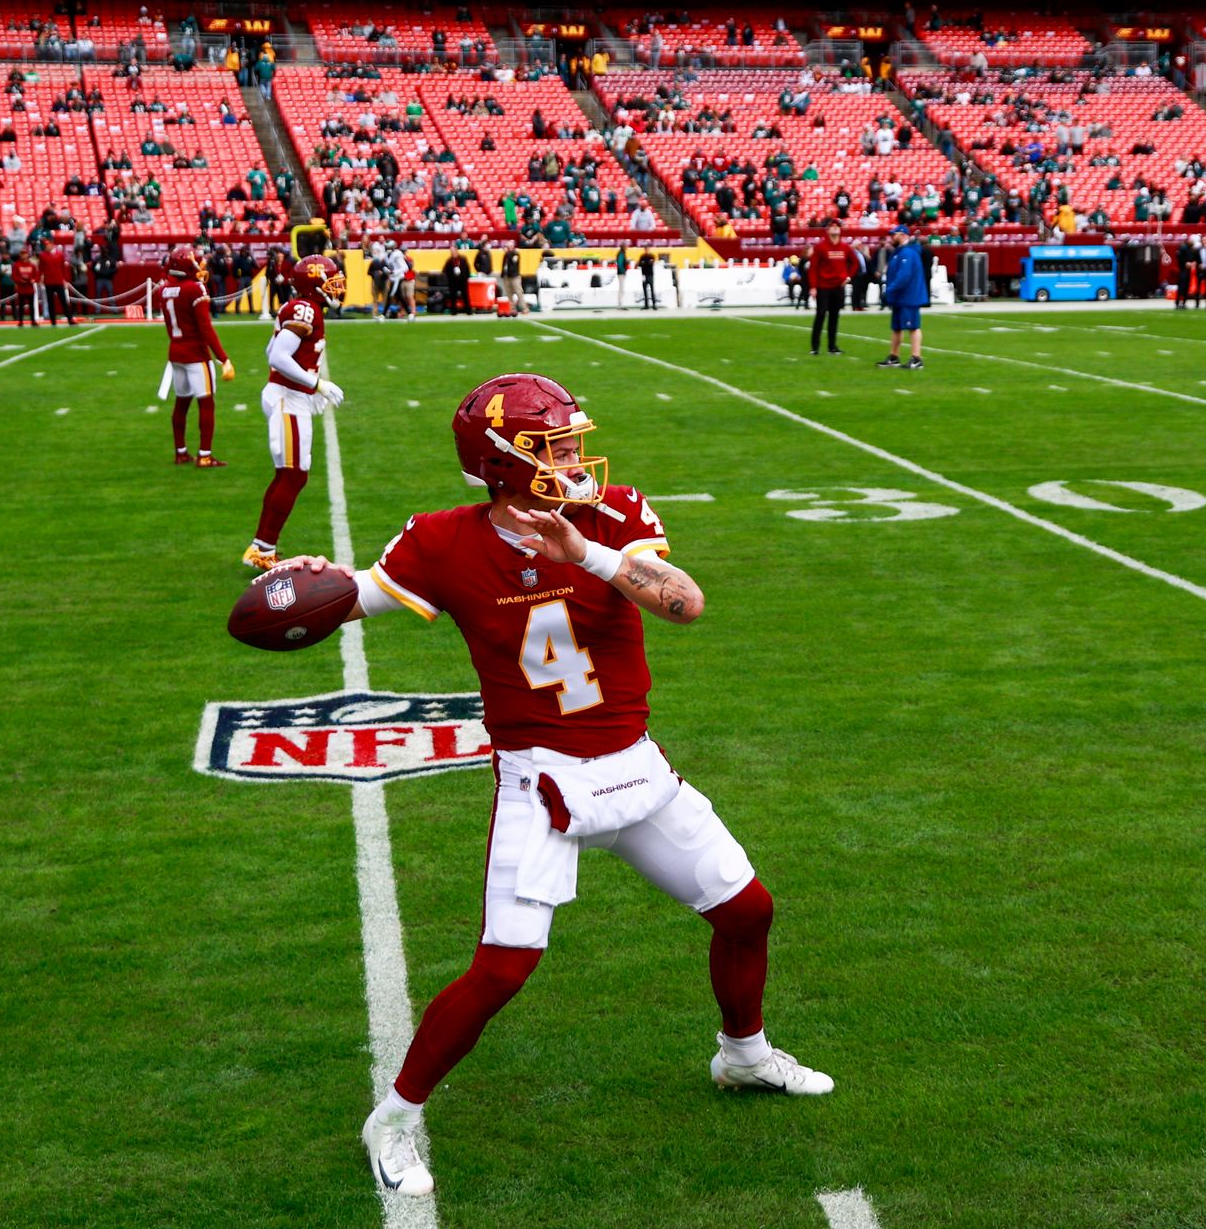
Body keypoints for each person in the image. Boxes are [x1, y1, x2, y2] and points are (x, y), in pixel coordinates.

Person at [270, 373, 836, 1199]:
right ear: (501, 463)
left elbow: (684, 605)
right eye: (555, 447)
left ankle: (743, 1055)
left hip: (634, 763)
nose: (576, 459)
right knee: (503, 969)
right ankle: (391, 1118)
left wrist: (587, 555)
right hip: (543, 780)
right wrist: (310, 580)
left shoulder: (613, 515)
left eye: (574, 442)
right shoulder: (444, 542)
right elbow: (354, 597)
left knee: (748, 911)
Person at [242, 255, 347, 572]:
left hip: (288, 396)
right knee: (293, 475)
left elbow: (269, 350)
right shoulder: (305, 309)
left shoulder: (305, 308)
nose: (337, 288)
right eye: (331, 281)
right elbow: (277, 356)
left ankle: (263, 545)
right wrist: (317, 383)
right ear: (314, 284)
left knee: (289, 475)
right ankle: (262, 548)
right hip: (288, 398)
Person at [161, 245, 233, 467]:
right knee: (206, 403)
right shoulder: (195, 290)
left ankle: (181, 451)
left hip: (176, 351)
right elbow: (206, 328)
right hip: (195, 354)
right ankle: (204, 455)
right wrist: (223, 358)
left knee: (182, 402)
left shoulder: (163, 290)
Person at [878, 227, 928, 370]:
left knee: (913, 326)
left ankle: (916, 358)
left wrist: (889, 290)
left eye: (894, 235)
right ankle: (894, 356)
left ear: (902, 235)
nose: (891, 238)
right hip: (900, 296)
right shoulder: (900, 252)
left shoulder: (908, 252)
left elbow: (904, 276)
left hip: (909, 296)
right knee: (897, 327)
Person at [807, 222, 854, 354]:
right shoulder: (820, 247)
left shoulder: (845, 247)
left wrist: (848, 277)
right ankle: (815, 347)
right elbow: (813, 268)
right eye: (832, 226)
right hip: (823, 287)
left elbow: (855, 263)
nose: (835, 227)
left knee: (834, 316)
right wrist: (813, 287)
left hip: (838, 287)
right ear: (827, 230)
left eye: (837, 226)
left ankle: (832, 347)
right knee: (821, 314)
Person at [444, 249, 473, 315]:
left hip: (463, 281)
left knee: (465, 296)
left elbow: (467, 269)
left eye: (454, 252)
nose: (453, 253)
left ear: (457, 251)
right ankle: (454, 311)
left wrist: (466, 278)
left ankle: (468, 310)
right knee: (453, 296)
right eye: (452, 252)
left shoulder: (463, 259)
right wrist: (450, 278)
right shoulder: (449, 261)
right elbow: (446, 271)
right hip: (453, 282)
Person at [501, 246, 525, 315]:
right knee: (509, 293)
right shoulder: (506, 255)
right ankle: (512, 309)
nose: (508, 249)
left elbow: (513, 261)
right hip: (506, 275)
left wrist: (507, 253)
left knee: (519, 292)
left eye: (510, 247)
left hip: (515, 276)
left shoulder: (515, 254)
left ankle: (524, 308)